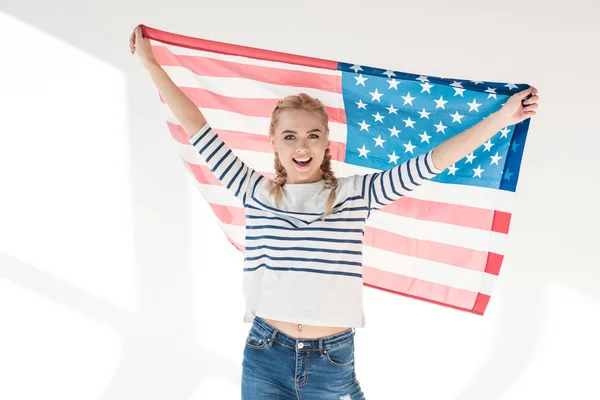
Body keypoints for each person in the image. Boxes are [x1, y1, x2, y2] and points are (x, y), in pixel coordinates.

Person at [129, 25, 539, 399]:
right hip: (264, 354)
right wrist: (150, 63)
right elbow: (196, 125)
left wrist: (504, 117)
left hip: (331, 360)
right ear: (273, 142)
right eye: (289, 136)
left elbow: (431, 162)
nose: (301, 146)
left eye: (312, 135)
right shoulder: (254, 191)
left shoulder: (356, 194)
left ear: (327, 141)